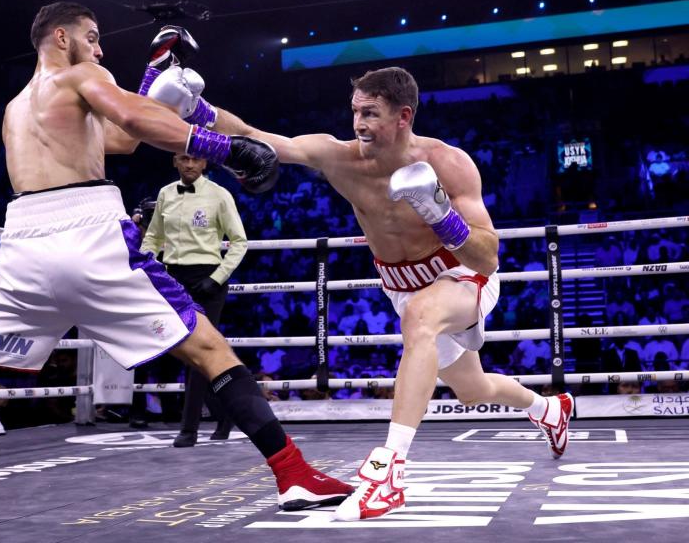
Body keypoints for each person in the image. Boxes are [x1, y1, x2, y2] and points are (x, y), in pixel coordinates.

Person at [0, 3, 351, 529]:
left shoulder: (15, 108)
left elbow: (120, 139)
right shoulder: (80, 77)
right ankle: (293, 475)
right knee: (208, 350)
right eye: (93, 39)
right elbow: (133, 117)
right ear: (61, 37)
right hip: (88, 231)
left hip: (24, 245)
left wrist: (156, 87)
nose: (101, 51)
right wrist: (227, 148)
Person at [148, 62, 572, 521]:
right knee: (472, 388)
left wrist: (440, 214)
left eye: (370, 113)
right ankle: (549, 408)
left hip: (460, 274)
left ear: (403, 116)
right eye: (355, 112)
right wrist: (197, 110)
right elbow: (261, 136)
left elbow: (488, 257)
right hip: (402, 285)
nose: (358, 124)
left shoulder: (447, 162)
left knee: (422, 321)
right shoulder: (339, 157)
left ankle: (389, 473)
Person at [141, 151, 248, 446]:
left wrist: (216, 278)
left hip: (208, 278)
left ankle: (189, 429)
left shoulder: (219, 195)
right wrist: (149, 265)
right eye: (184, 159)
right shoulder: (165, 194)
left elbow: (239, 242)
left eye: (195, 160)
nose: (189, 165)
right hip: (173, 277)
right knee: (183, 352)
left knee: (200, 353)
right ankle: (225, 414)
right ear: (175, 160)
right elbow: (153, 238)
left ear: (205, 163)